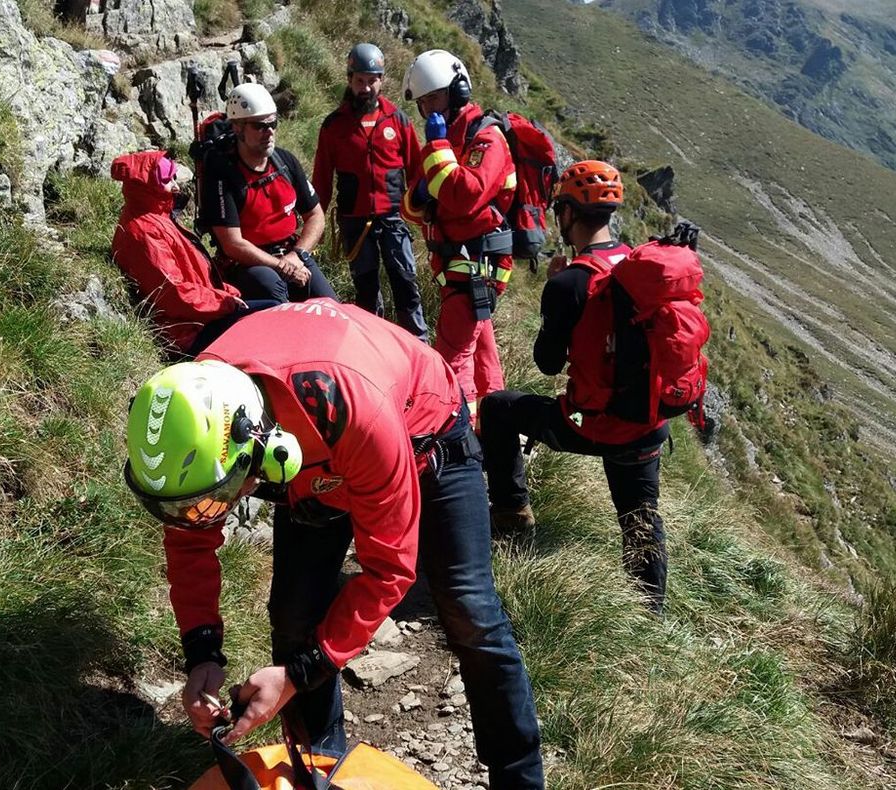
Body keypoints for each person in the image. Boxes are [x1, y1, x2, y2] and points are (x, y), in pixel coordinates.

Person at [123, 299, 544, 789]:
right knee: (295, 615)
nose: (207, 512)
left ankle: (519, 779)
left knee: (470, 612)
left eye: (219, 497)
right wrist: (202, 653)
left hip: (421, 434)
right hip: (313, 452)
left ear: (260, 448)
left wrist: (298, 675)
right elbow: (189, 542)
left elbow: (389, 570)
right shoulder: (195, 413)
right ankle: (317, 767)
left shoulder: (355, 413)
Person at [480, 161, 671, 613]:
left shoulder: (569, 282)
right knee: (640, 517)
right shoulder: (642, 266)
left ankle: (511, 515)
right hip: (648, 421)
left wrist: (553, 290)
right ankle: (650, 614)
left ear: (567, 214)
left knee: (498, 408)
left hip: (589, 422)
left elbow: (546, 364)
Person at [400, 49, 516, 421]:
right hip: (456, 261)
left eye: (434, 97)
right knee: (483, 355)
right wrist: (420, 196)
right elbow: (411, 207)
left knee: (452, 359)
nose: (428, 110)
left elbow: (465, 196)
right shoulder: (445, 142)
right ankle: (496, 425)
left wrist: (436, 152)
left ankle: (456, 433)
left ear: (459, 91)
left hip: (476, 264)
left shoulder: (486, 139)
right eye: (422, 103)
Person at [312, 43, 429, 340]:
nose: (366, 87)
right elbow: (322, 179)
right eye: (360, 81)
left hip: (394, 219)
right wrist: (318, 223)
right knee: (365, 289)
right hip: (354, 222)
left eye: (371, 80)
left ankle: (418, 344)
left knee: (406, 283)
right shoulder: (334, 126)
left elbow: (416, 171)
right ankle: (372, 344)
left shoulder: (398, 120)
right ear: (350, 79)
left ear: (382, 80)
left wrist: (424, 214)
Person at [110, 150, 275, 356]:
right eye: (167, 179)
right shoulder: (143, 232)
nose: (176, 186)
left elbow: (194, 275)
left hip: (200, 318)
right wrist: (224, 303)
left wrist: (225, 293)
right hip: (187, 334)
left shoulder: (156, 218)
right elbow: (173, 293)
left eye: (173, 177)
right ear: (147, 185)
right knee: (273, 316)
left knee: (275, 310)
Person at [197, 82, 336, 304]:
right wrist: (282, 266)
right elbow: (233, 244)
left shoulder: (285, 162)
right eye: (260, 126)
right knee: (276, 300)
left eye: (273, 123)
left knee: (331, 309)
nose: (269, 131)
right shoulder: (223, 174)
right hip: (249, 264)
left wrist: (297, 255)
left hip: (293, 255)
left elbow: (315, 215)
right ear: (237, 127)